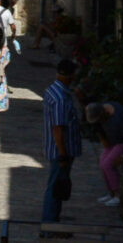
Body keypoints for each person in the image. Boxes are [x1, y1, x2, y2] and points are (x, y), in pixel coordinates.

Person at [41, 57, 83, 222]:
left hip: (55, 148)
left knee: (57, 186)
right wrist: (63, 154)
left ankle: (53, 222)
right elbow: (58, 128)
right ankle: (49, 224)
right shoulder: (60, 98)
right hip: (59, 150)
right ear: (70, 75)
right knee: (55, 187)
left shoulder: (52, 90)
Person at [84, 100, 123, 206]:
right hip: (112, 143)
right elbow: (99, 130)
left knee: (108, 165)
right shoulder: (101, 117)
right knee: (102, 163)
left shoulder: (119, 116)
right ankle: (111, 193)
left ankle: (117, 195)